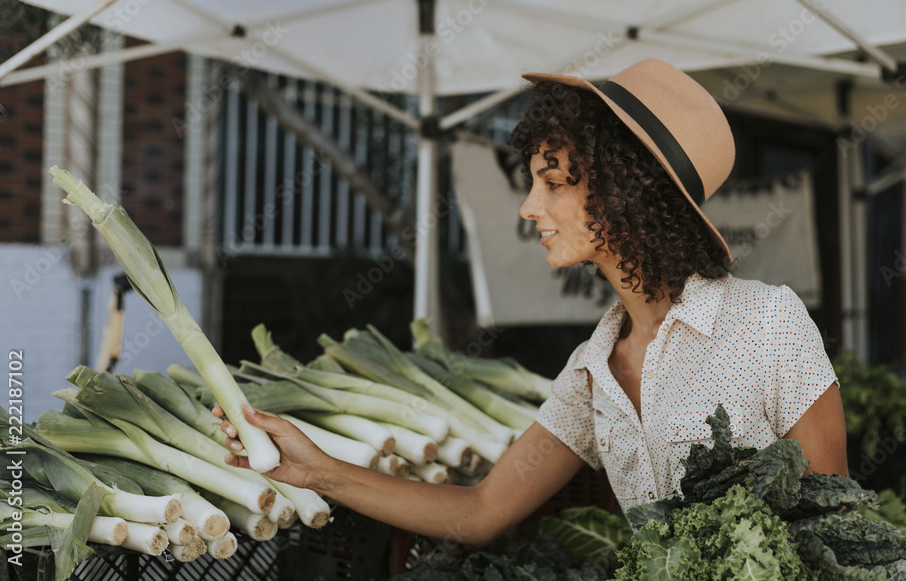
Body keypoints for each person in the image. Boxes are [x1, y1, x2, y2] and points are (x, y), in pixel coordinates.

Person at [215, 59, 847, 546]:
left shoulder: (768, 324)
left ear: (622, 190)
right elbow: (482, 510)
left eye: (551, 182)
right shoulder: (593, 371)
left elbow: (832, 528)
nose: (529, 207)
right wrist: (318, 470)